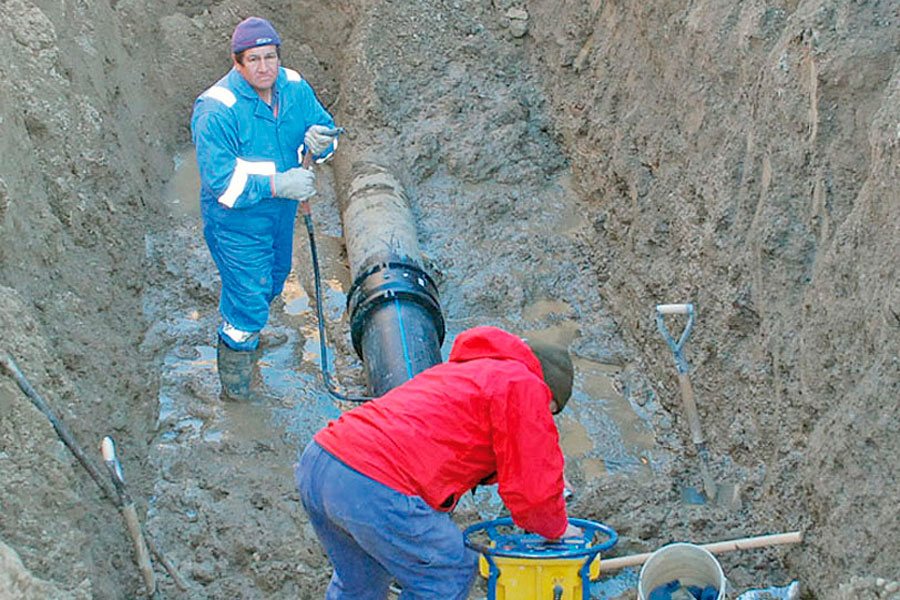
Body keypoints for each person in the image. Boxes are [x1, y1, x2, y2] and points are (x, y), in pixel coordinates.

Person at [295, 325, 582, 600]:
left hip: (322, 461)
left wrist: (548, 472)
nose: (545, 417)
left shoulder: (470, 372)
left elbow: (471, 449)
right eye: (549, 410)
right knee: (448, 571)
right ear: (547, 389)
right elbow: (532, 490)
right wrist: (557, 527)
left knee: (362, 581)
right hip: (374, 483)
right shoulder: (524, 383)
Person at [191, 16, 341, 400]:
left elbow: (326, 128)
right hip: (236, 222)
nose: (264, 67)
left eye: (270, 57)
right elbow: (222, 184)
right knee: (247, 303)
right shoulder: (216, 109)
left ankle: (250, 336)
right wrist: (280, 183)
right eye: (254, 59)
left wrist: (323, 142)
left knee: (275, 278)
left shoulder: (292, 86)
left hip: (280, 215)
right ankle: (237, 391)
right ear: (237, 62)